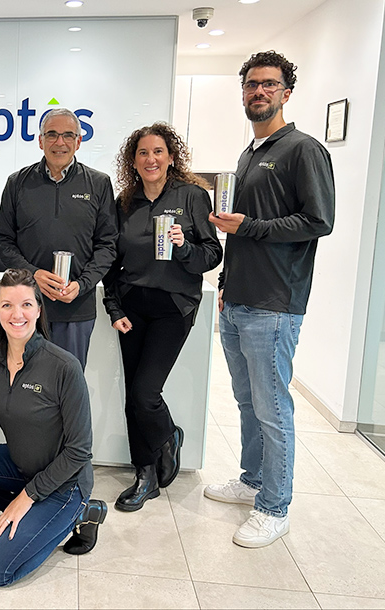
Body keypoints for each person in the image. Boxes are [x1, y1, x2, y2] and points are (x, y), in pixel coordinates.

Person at [205, 51, 335, 548]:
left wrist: (252, 227)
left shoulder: (303, 150)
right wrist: (224, 284)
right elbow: (242, 233)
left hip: (275, 304)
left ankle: (275, 506)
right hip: (238, 299)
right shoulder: (250, 154)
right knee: (246, 400)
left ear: (286, 92)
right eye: (251, 85)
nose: (258, 92)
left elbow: (319, 221)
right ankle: (253, 479)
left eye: (268, 84)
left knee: (273, 407)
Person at [0, 268, 107, 587]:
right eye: (7, 305)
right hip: (19, 466)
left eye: (26, 304)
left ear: (39, 310)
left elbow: (80, 451)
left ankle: (82, 512)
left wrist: (27, 496)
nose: (17, 314)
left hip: (65, 484)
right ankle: (28, 514)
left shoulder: (63, 367)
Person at [103, 122, 222, 513]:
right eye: (142, 153)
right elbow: (112, 265)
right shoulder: (125, 203)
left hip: (174, 307)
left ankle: (168, 436)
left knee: (145, 393)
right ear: (132, 161)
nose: (150, 159)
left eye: (158, 152)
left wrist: (185, 248)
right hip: (133, 307)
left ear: (171, 157)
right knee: (130, 397)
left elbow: (211, 255)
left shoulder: (191, 197)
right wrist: (115, 308)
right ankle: (145, 474)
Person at [0, 108, 117, 369]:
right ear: (40, 141)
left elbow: (107, 245)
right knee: (23, 382)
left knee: (68, 386)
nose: (59, 142)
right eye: (51, 134)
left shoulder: (98, 183)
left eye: (67, 135)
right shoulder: (17, 183)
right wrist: (33, 274)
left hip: (76, 308)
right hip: (26, 307)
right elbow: (2, 241)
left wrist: (82, 284)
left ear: (78, 141)